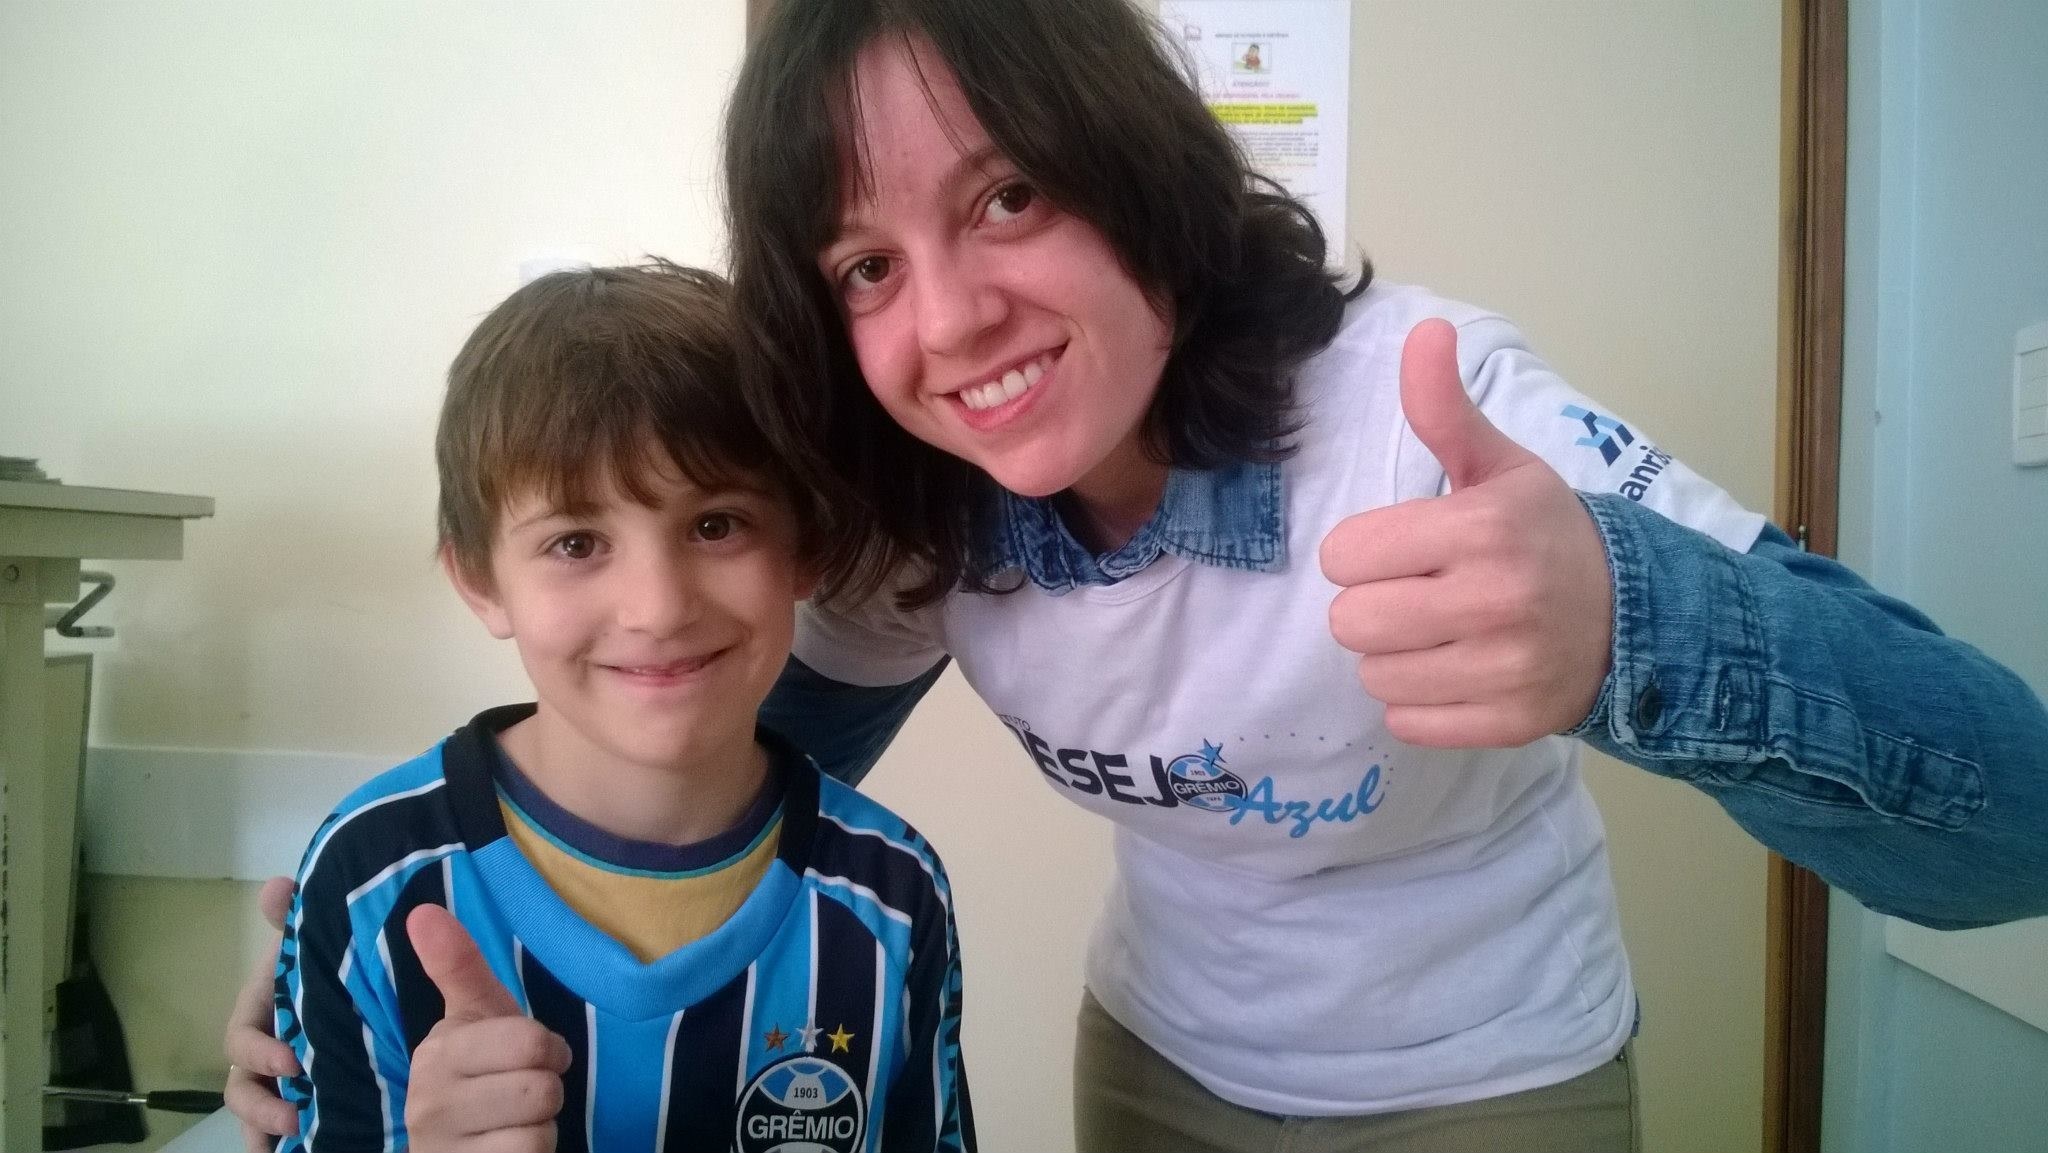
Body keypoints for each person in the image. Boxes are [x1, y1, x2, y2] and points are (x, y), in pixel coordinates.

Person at [227, 2, 2048, 1150]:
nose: (947, 321)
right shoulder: (923, 506)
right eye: (861, 265)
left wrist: (1631, 623)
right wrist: (360, 971)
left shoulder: (1422, 406)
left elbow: (2003, 824)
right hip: (1159, 1065)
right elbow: (704, 777)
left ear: (1137, 167)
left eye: (1006, 195)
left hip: (1495, 1073)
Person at [267, 262, 973, 1153]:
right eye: (575, 541)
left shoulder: (894, 893)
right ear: (481, 582)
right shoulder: (371, 878)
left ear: (808, 546)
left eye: (716, 524)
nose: (659, 605)